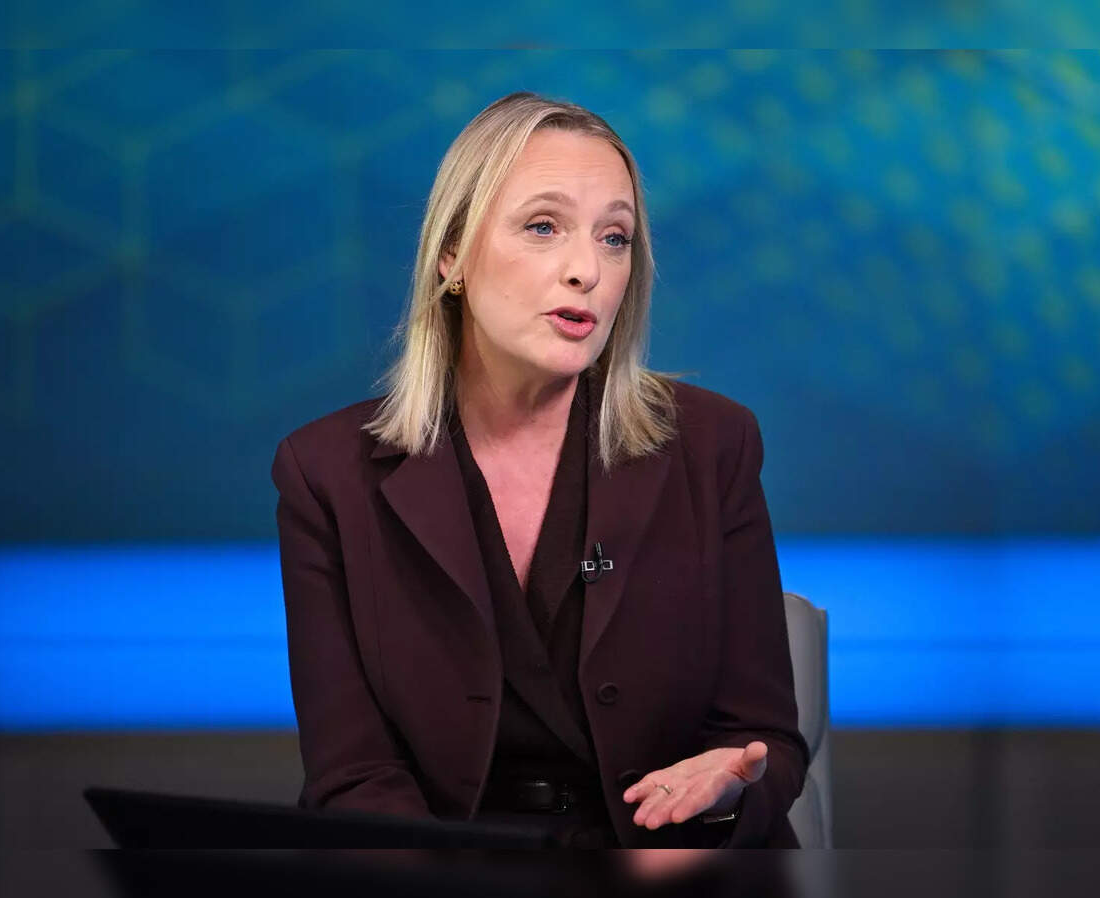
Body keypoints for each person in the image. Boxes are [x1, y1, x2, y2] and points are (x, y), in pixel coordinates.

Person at [270, 91, 810, 848]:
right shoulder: (325, 474)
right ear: (452, 255)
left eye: (615, 237)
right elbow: (351, 774)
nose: (587, 270)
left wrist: (723, 791)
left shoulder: (714, 445)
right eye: (543, 226)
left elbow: (764, 741)